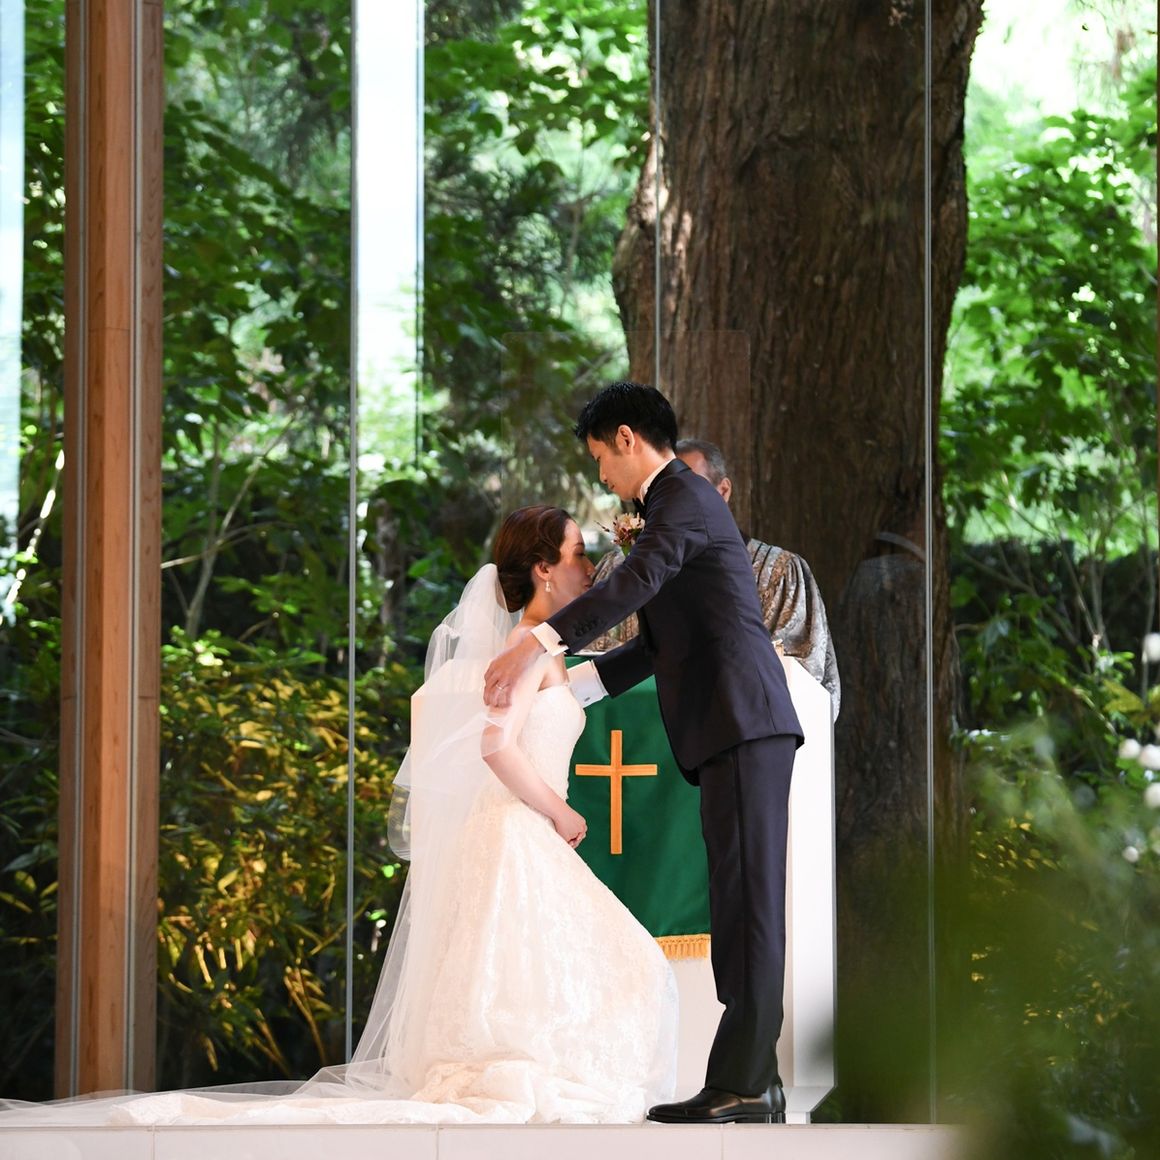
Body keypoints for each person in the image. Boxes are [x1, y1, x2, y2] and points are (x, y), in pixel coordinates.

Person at [0, 506, 677, 1127]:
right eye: (577, 554)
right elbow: (496, 745)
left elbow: (582, 689)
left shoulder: (541, 649)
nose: (588, 567)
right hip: (519, 830)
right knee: (628, 965)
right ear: (543, 569)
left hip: (522, 835)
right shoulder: (526, 645)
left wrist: (659, 623)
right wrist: (560, 812)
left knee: (583, 972)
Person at [484, 382, 804, 1126]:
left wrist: (536, 643)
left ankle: (746, 1082)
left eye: (600, 457)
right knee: (737, 900)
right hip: (732, 725)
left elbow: (636, 583)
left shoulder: (683, 499)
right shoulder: (670, 508)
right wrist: (563, 689)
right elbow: (657, 644)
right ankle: (754, 1079)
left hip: (744, 720)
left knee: (749, 904)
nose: (602, 476)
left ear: (627, 439)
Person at [588, 438, 841, 719]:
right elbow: (594, 655)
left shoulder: (778, 572)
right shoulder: (619, 569)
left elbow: (803, 673)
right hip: (630, 730)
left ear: (723, 492)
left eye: (689, 489)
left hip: (735, 728)